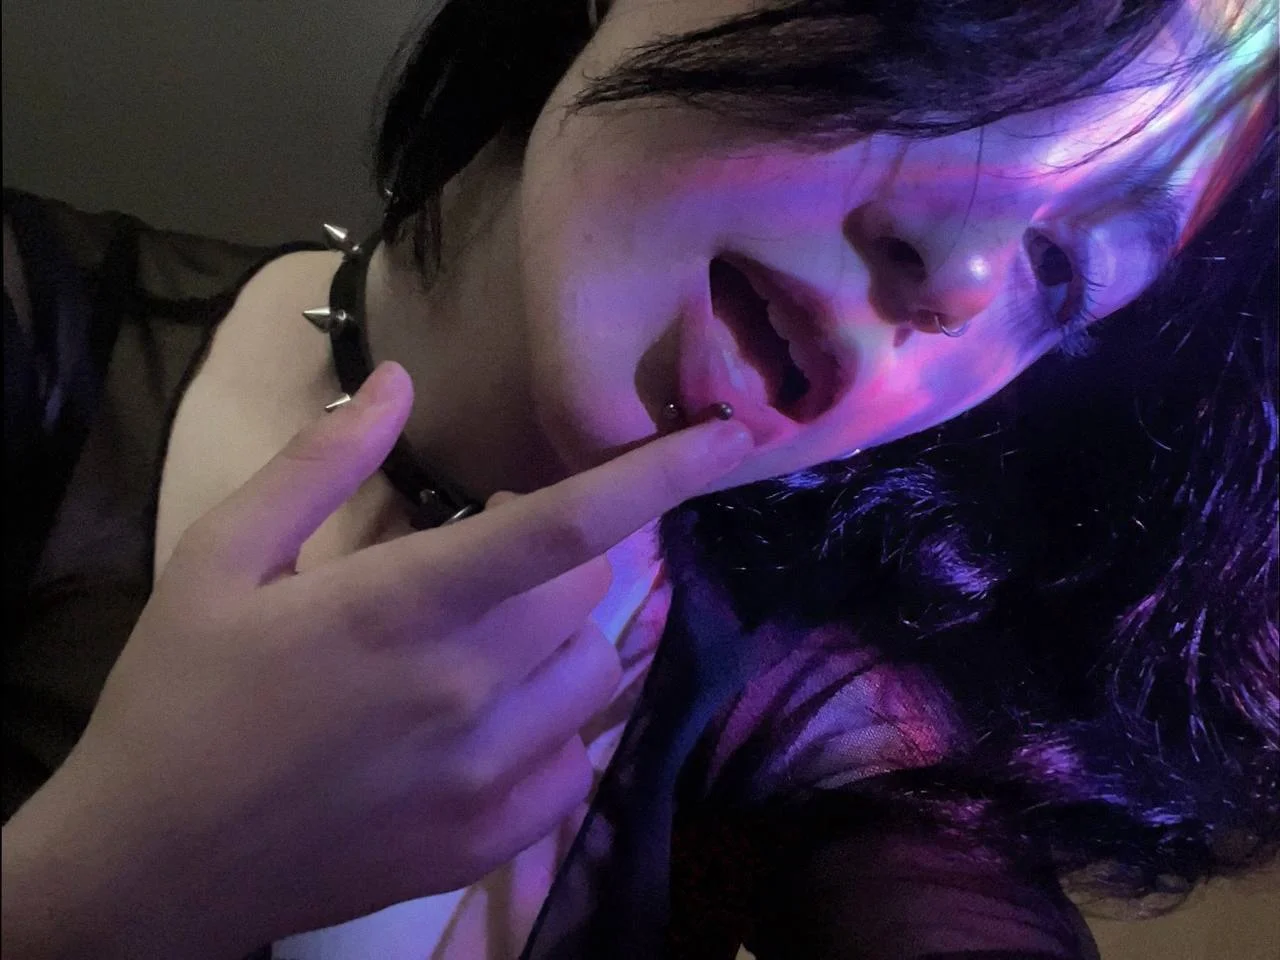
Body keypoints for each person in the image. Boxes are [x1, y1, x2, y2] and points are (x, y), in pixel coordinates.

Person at [2, 0, 1276, 958]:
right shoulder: (39, 323)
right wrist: (103, 885)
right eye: (970, 53)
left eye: (1065, 274)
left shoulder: (824, 717)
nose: (963, 278)